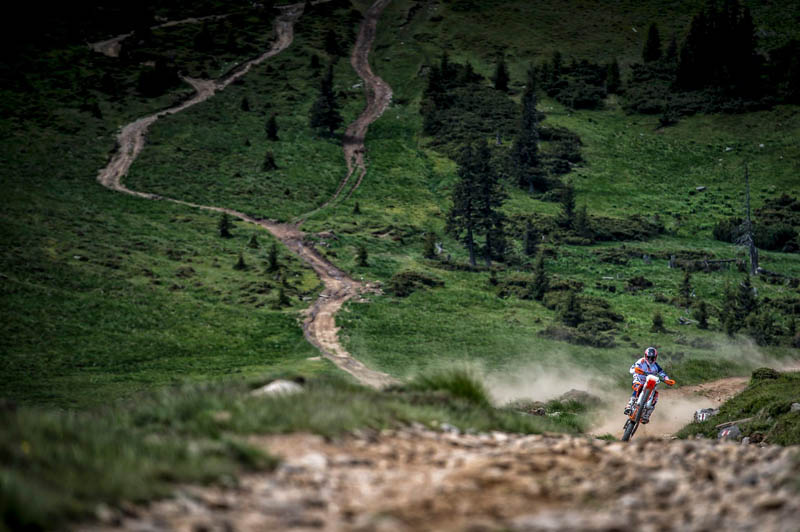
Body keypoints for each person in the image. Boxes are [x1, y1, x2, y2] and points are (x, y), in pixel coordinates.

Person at [623, 346, 673, 424]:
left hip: (651, 381)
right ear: (645, 356)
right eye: (649, 357)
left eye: (652, 358)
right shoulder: (641, 361)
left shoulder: (656, 366)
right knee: (638, 387)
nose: (650, 359)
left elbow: (663, 374)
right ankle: (629, 405)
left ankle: (647, 415)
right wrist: (636, 370)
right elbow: (632, 369)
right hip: (640, 379)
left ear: (655, 357)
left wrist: (667, 380)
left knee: (655, 396)